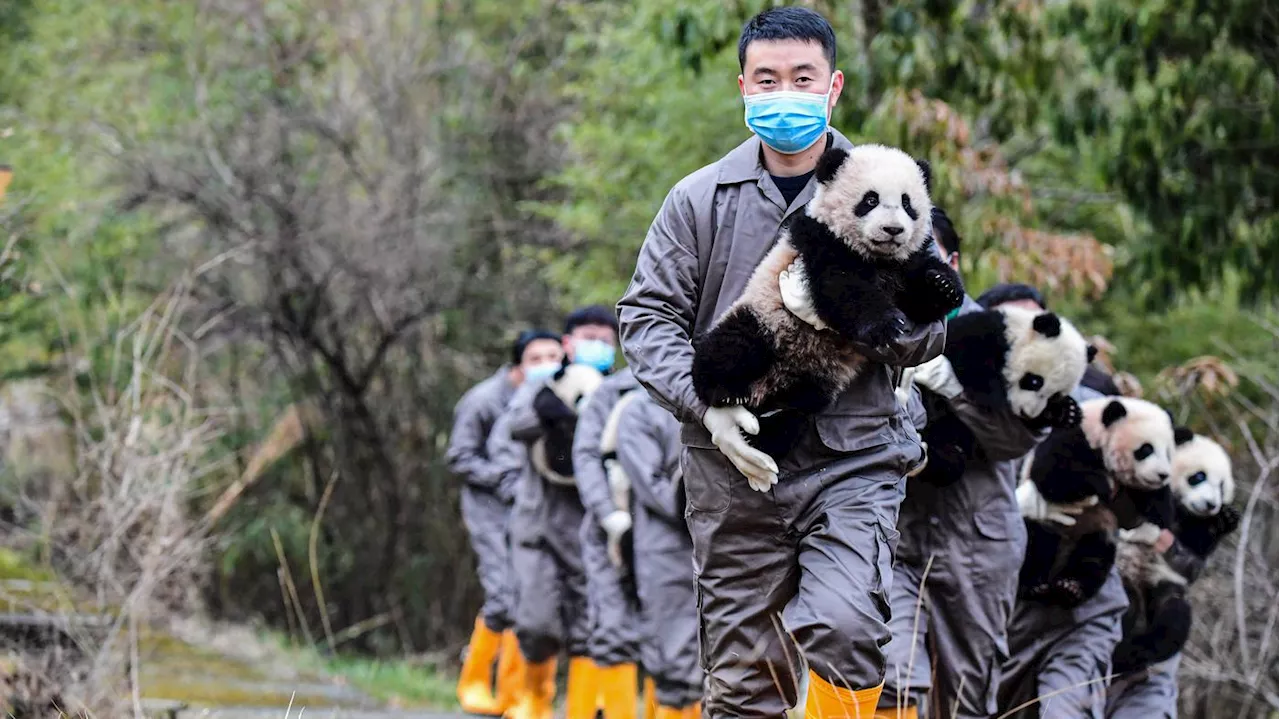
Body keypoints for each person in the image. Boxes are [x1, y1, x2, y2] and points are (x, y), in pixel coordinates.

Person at [616, 7, 946, 716]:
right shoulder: (697, 201)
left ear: (833, 89)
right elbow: (646, 319)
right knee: (743, 680)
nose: (784, 92)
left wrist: (868, 308)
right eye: (767, 79)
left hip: (853, 457)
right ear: (742, 86)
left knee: (849, 623)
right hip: (732, 471)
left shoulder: (893, 190)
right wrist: (710, 406)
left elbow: (933, 331)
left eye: (803, 77)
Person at [869, 211, 1050, 719]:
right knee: (891, 679)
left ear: (952, 261)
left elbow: (1018, 437)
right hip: (896, 539)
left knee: (966, 697)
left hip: (979, 544)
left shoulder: (1003, 338)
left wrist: (953, 387)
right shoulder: (876, 327)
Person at [497, 307, 622, 719]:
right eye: (589, 337)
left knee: (591, 628)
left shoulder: (616, 390)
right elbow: (516, 425)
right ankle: (533, 701)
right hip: (537, 524)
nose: (597, 347)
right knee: (535, 622)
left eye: (606, 340)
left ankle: (584, 709)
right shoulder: (544, 386)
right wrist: (550, 414)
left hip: (592, 528)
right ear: (569, 342)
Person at [447, 329, 563, 715]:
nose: (546, 365)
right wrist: (503, 480)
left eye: (553, 356)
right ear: (517, 365)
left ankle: (513, 695)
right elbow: (459, 457)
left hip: (528, 508)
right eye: (535, 358)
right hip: (488, 506)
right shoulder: (483, 400)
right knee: (502, 594)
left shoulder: (553, 395)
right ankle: (474, 683)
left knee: (528, 598)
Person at [569, 310, 647, 719]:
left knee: (674, 640)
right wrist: (608, 515)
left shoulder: (689, 390)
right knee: (612, 630)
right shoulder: (609, 393)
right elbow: (585, 456)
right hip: (610, 532)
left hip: (668, 535)